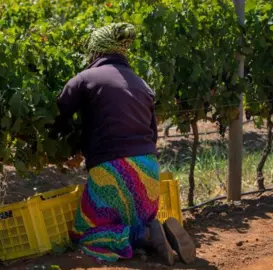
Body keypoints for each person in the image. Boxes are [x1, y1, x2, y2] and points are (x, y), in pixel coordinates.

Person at [51, 23, 196, 265]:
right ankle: (154, 232)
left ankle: (147, 234)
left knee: (84, 232)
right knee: (132, 218)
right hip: (150, 173)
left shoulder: (85, 78)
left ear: (95, 50)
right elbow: (152, 134)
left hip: (112, 172)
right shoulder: (142, 84)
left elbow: (57, 114)